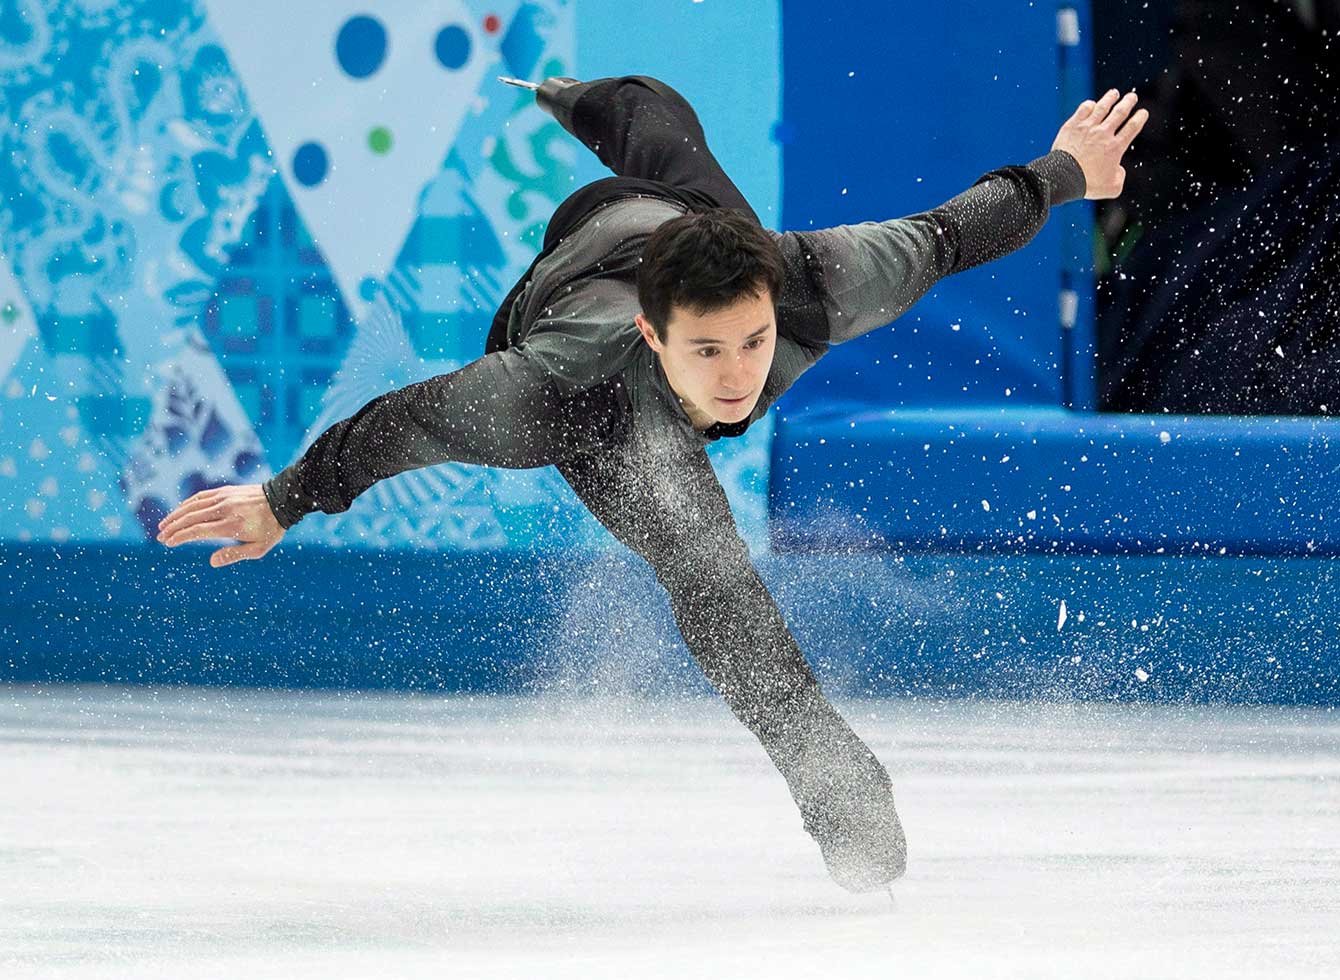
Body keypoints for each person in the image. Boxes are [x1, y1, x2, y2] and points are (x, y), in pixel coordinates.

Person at [156, 75, 1146, 892]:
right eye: (707, 350)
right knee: (707, 569)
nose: (737, 375)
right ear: (653, 336)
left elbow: (949, 232)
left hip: (680, 222)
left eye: (753, 340)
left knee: (654, 121)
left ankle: (560, 94)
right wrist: (284, 497)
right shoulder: (552, 389)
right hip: (591, 367)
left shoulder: (812, 277)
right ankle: (826, 768)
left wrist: (1064, 170)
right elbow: (406, 421)